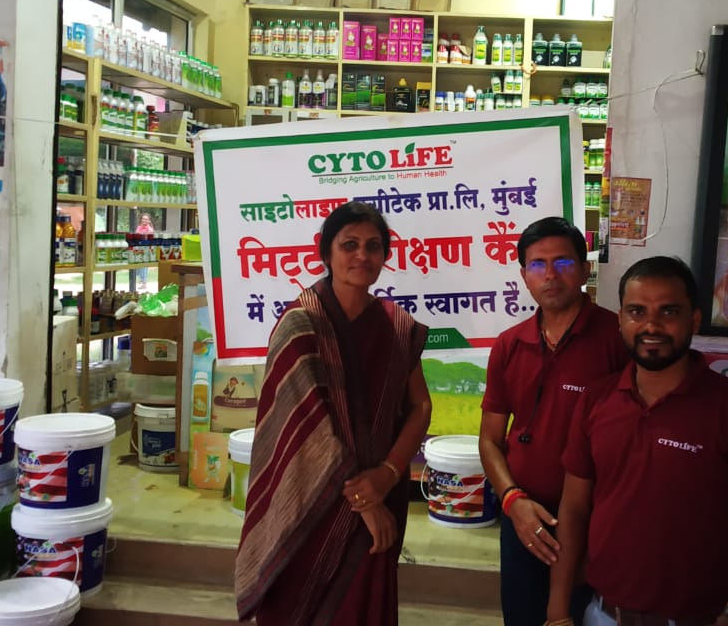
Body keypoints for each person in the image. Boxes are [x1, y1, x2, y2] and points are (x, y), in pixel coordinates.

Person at [546, 256, 728, 626]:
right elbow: (574, 510)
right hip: (602, 614)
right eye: (637, 311)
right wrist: (557, 611)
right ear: (620, 320)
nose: (651, 325)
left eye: (668, 311)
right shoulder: (596, 399)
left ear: (694, 320)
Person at [235, 201, 432, 626]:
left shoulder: (397, 325)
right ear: (325, 252)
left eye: (374, 246)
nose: (362, 255)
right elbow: (305, 429)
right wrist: (363, 500)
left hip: (382, 490)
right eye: (350, 244)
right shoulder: (299, 324)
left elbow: (421, 405)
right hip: (312, 505)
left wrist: (387, 476)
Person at [479, 216, 630, 625]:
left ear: (584, 269)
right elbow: (490, 439)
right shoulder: (509, 345)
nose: (550, 275)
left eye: (562, 263)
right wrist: (513, 501)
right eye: (537, 264)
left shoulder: (617, 338)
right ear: (524, 276)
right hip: (523, 514)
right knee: (523, 616)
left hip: (597, 520)